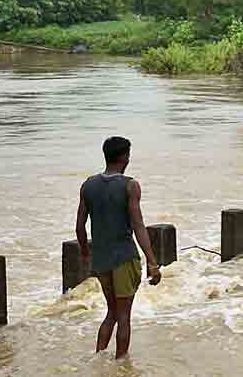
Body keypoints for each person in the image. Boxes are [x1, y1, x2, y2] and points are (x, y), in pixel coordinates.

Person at [75, 136, 161, 360]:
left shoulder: (88, 185)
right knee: (124, 316)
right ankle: (121, 364)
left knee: (111, 313)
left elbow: (80, 228)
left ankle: (98, 361)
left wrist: (85, 253)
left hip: (101, 260)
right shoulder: (130, 185)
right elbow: (138, 225)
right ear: (124, 157)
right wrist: (152, 262)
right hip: (124, 258)